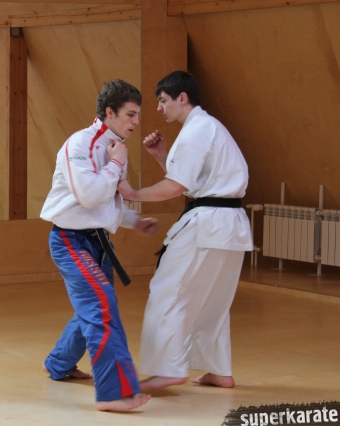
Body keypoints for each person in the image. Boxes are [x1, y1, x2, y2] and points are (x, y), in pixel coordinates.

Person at [118, 71, 253, 391]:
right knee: (213, 300)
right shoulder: (208, 127)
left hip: (208, 222)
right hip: (230, 223)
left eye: (163, 101)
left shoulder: (196, 130)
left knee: (169, 289)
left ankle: (167, 369)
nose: (159, 108)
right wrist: (162, 156)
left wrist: (132, 193)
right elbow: (197, 182)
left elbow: (176, 187)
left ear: (182, 98)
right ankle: (219, 370)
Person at [40, 79, 159, 411]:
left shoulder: (115, 147)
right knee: (101, 305)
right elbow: (89, 197)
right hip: (70, 241)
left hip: (99, 242)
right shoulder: (80, 144)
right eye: (130, 114)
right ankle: (115, 393)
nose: (136, 122)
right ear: (110, 112)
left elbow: (108, 202)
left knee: (92, 307)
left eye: (138, 115)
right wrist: (117, 163)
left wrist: (134, 221)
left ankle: (58, 364)